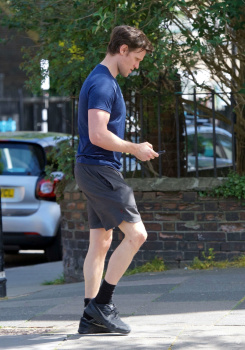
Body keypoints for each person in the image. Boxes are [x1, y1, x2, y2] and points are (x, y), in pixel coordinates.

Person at [74, 25, 159, 335]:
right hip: (100, 169)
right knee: (137, 235)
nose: (137, 66)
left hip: (90, 168)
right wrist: (134, 148)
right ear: (123, 49)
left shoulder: (100, 79)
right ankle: (102, 304)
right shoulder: (102, 84)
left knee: (101, 242)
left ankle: (89, 316)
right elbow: (97, 134)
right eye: (136, 58)